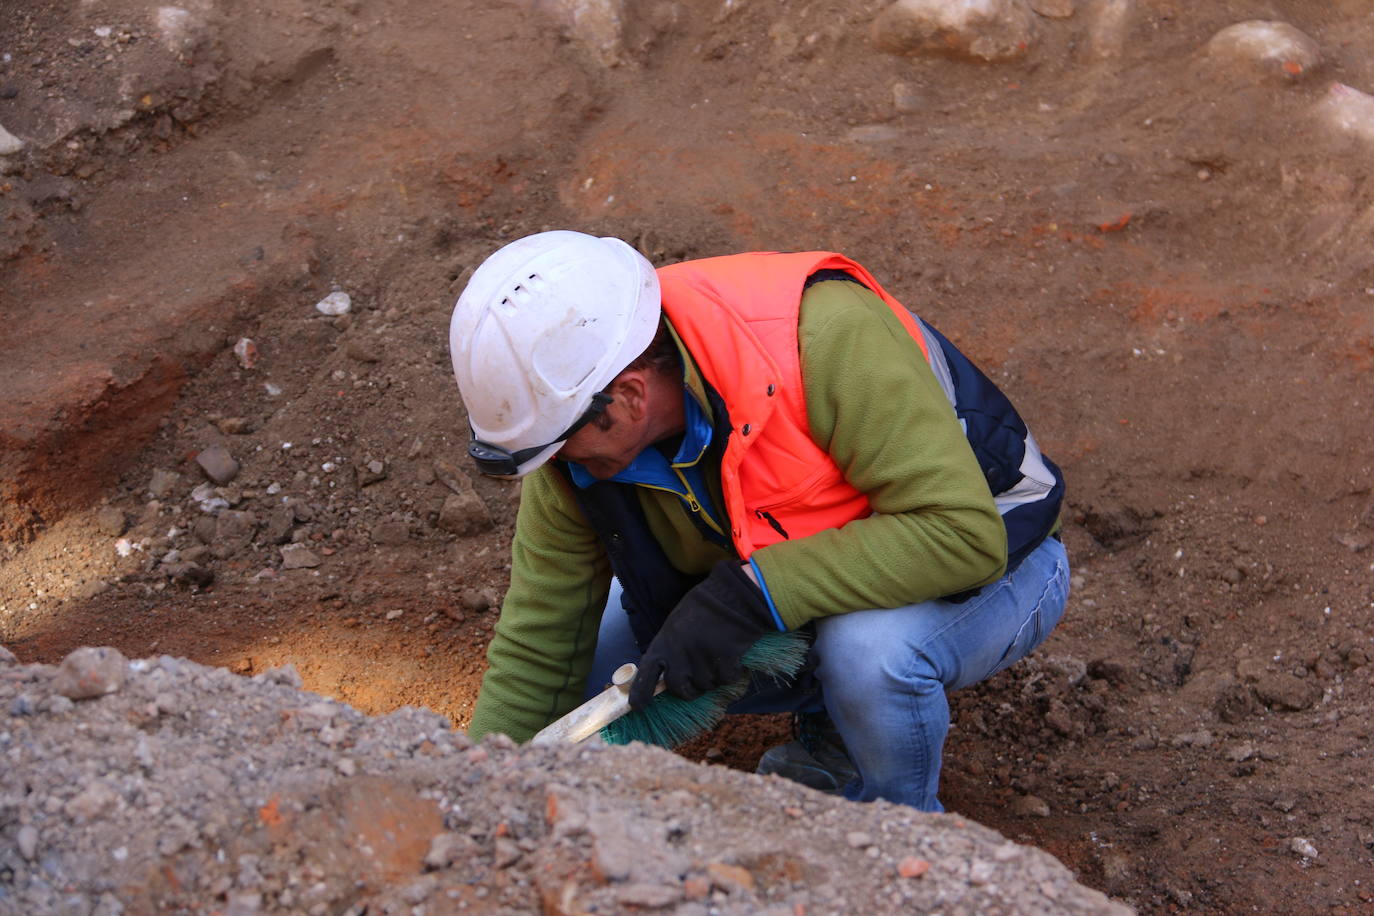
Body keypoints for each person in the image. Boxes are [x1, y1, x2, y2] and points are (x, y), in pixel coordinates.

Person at [449, 230, 1068, 812]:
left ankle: (899, 836)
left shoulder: (820, 339)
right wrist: (477, 792)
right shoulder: (569, 436)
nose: (555, 467)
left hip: (998, 563)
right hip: (813, 573)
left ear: (630, 397)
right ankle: (834, 724)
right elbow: (541, 640)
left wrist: (754, 595)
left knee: (869, 653)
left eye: (559, 446)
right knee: (601, 666)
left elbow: (962, 534)